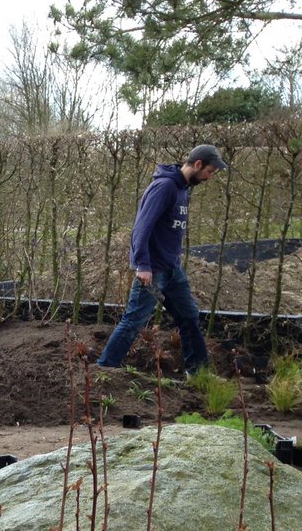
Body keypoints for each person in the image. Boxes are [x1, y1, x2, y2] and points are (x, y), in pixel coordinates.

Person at [97, 144, 227, 374]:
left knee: (189, 316)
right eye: (209, 171)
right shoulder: (164, 187)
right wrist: (142, 264)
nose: (209, 177)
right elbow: (141, 228)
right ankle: (104, 369)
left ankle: (198, 373)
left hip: (172, 268)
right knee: (134, 321)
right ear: (198, 164)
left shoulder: (183, 189)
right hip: (153, 269)